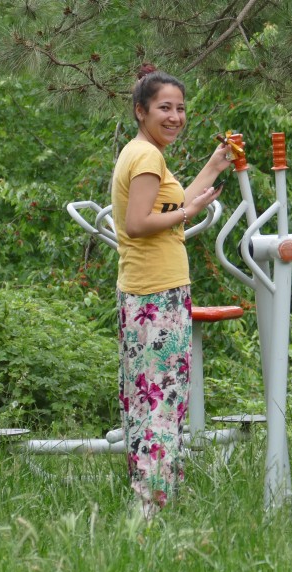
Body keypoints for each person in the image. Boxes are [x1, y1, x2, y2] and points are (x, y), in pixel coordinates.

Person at [111, 63, 232, 519]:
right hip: (155, 296)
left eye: (181, 108)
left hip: (149, 293)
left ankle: (155, 505)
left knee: (151, 401)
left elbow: (172, 204)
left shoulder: (143, 153)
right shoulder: (146, 158)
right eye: (165, 107)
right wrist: (186, 215)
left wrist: (212, 166)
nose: (175, 116)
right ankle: (151, 512)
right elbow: (139, 224)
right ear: (141, 111)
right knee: (160, 403)